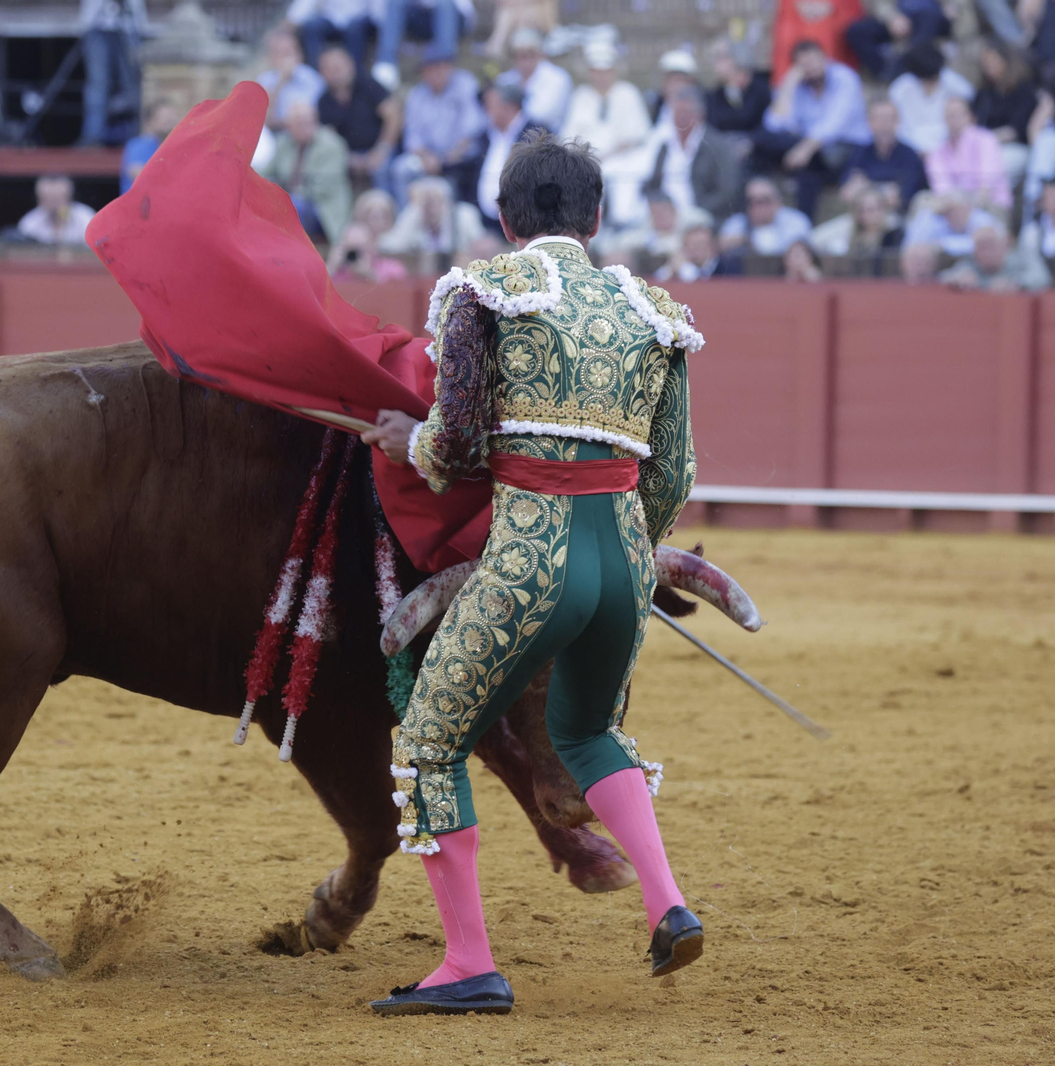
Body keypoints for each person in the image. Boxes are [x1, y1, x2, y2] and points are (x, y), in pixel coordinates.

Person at [359, 131, 703, 1015]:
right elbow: (675, 471)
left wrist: (416, 444)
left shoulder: (484, 291)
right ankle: (667, 903)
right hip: (622, 562)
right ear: (596, 217)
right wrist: (634, 547)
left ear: (506, 218)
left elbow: (463, 434)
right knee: (589, 733)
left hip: (531, 556)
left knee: (432, 742)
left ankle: (469, 963)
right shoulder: (652, 309)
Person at [757, 39, 871, 218]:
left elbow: (835, 124)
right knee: (763, 139)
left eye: (814, 60)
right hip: (812, 154)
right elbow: (775, 124)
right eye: (804, 64)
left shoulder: (845, 78)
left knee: (807, 162)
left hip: (847, 148)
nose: (811, 67)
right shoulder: (799, 86)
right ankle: (802, 221)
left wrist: (805, 148)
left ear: (826, 58)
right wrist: (788, 84)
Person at [560, 40, 650, 226]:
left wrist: (606, 156)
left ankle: (623, 224)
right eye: (596, 71)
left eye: (606, 71)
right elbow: (568, 136)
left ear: (614, 71)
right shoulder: (581, 96)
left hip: (623, 159)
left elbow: (638, 135)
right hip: (586, 160)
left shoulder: (628, 93)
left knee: (624, 185)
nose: (601, 76)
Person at [388, 45, 485, 205]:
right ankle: (407, 218)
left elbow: (472, 129)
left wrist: (447, 158)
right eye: (430, 68)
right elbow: (412, 136)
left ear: (449, 67)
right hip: (428, 157)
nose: (436, 73)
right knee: (401, 169)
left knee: (460, 170)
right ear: (423, 72)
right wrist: (427, 158)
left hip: (460, 155)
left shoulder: (464, 84)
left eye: (440, 67)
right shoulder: (417, 95)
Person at [641, 85, 742, 222]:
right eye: (676, 113)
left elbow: (727, 192)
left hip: (701, 217)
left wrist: (694, 210)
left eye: (685, 113)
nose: (680, 119)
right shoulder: (665, 146)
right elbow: (653, 185)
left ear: (699, 115)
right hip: (664, 218)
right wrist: (659, 207)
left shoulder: (717, 146)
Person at [260, 99, 352, 244]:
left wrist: (283, 196)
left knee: (291, 207)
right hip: (289, 203)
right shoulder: (284, 143)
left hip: (322, 209)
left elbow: (324, 187)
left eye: (305, 122)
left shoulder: (332, 145)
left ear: (315, 121)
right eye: (296, 123)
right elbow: (265, 172)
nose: (301, 127)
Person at [315, 45, 399, 191]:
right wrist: (348, 158)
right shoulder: (324, 101)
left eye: (339, 65)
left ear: (350, 64)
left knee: (383, 170)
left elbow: (394, 116)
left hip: (381, 148)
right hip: (348, 157)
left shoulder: (368, 84)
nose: (337, 71)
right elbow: (328, 137)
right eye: (331, 68)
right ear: (322, 73)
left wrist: (381, 150)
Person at [78, 0, 146, 146]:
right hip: (97, 23)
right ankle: (92, 137)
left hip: (129, 25)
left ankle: (137, 134)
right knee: (98, 84)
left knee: (133, 85)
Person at [972, 37, 1038, 186]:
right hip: (985, 145)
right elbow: (974, 120)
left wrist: (987, 140)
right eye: (985, 62)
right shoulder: (985, 91)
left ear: (1006, 60)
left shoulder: (1024, 89)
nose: (988, 66)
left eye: (992, 61)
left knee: (996, 165)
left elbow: (1016, 130)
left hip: (1015, 147)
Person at [926, 95, 1011, 210]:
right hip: (953, 210)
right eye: (950, 115)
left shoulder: (986, 140)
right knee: (923, 202)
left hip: (990, 206)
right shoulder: (937, 152)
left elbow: (986, 186)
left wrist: (966, 207)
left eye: (958, 114)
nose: (954, 119)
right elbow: (942, 189)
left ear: (970, 117)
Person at [887, 42, 973, 155]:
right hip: (911, 151)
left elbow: (968, 107)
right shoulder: (900, 90)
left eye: (933, 79)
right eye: (926, 80)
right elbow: (897, 126)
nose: (930, 83)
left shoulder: (954, 84)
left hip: (950, 149)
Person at [379, 173, 484, 265]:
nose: (432, 209)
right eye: (427, 203)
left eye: (437, 201)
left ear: (447, 202)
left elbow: (480, 247)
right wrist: (413, 210)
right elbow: (390, 246)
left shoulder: (464, 215)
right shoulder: (414, 217)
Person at [842, 98, 928, 210]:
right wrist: (885, 189)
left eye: (889, 119)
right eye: (879, 119)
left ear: (897, 122)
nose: (884, 125)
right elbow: (847, 193)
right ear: (869, 122)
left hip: (900, 219)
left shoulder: (909, 155)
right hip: (862, 217)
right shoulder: (860, 152)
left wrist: (865, 186)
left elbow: (898, 199)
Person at [373, 0, 472, 92]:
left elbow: (466, 12)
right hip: (420, 18)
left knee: (445, 3)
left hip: (451, 17)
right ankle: (386, 64)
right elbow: (377, 14)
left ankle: (445, 66)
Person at [845, 0, 952, 81]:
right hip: (898, 18)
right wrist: (892, 17)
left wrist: (952, 8)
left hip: (933, 18)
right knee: (857, 31)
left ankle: (909, 63)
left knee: (929, 17)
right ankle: (885, 72)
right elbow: (879, 4)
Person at [474, 81, 532, 231]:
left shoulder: (536, 136)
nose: (486, 111)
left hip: (522, 222)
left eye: (490, 105)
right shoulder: (483, 137)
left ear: (510, 107)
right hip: (481, 220)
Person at [494, 26, 571, 133]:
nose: (525, 60)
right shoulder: (504, 80)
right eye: (520, 54)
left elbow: (543, 115)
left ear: (540, 53)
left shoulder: (558, 78)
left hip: (546, 140)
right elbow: (494, 114)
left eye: (530, 53)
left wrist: (510, 113)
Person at [939, 219, 1048, 290]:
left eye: (990, 245)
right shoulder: (970, 262)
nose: (986, 252)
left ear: (1004, 246)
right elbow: (943, 277)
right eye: (980, 247)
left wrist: (1015, 284)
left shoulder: (1023, 256)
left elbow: (1042, 277)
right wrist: (957, 279)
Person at [718, 176, 812, 256]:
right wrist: (744, 240)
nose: (758, 206)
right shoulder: (736, 223)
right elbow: (720, 247)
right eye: (751, 201)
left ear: (777, 201)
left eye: (764, 200)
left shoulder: (796, 221)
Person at [809, 182, 903, 261]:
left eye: (871, 209)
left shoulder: (895, 232)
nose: (866, 215)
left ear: (883, 209)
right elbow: (815, 238)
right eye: (861, 210)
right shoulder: (849, 229)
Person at [256, 25, 326, 128]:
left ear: (299, 55)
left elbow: (318, 117)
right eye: (280, 53)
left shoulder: (312, 79)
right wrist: (281, 82)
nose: (286, 58)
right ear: (272, 58)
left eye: (289, 52)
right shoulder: (264, 81)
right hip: (277, 133)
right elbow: (263, 121)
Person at [704, 37, 771, 136]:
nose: (715, 64)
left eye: (720, 57)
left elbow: (752, 121)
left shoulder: (761, 89)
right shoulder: (716, 95)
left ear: (736, 58)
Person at [903, 189, 998, 256]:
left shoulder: (981, 218)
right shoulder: (937, 219)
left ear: (968, 207)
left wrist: (943, 245)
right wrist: (931, 213)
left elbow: (982, 245)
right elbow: (911, 246)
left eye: (958, 209)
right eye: (949, 211)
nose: (954, 215)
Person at [287, 0, 374, 69]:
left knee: (355, 29)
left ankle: (354, 76)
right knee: (312, 27)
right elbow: (305, 3)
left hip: (359, 19)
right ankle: (317, 73)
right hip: (331, 18)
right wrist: (293, 20)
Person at [16, 173, 98, 245]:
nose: (53, 205)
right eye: (47, 198)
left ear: (69, 197)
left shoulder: (86, 218)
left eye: (57, 199)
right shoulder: (29, 223)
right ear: (39, 200)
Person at [120, 99, 177, 194]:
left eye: (171, 117)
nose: (170, 122)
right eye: (164, 118)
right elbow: (138, 175)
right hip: (138, 206)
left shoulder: (172, 147)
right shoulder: (139, 145)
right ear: (149, 122)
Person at [654, 220, 740, 281]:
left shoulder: (727, 267)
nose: (697, 250)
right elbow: (656, 286)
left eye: (701, 244)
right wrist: (669, 268)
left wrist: (684, 269)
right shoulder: (679, 267)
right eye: (692, 245)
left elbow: (704, 289)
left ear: (712, 245)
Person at [326, 219, 408, 281]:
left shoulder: (392, 269)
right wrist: (331, 267)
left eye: (360, 249)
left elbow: (397, 293)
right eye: (350, 249)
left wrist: (370, 275)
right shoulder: (337, 272)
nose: (355, 255)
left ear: (373, 248)